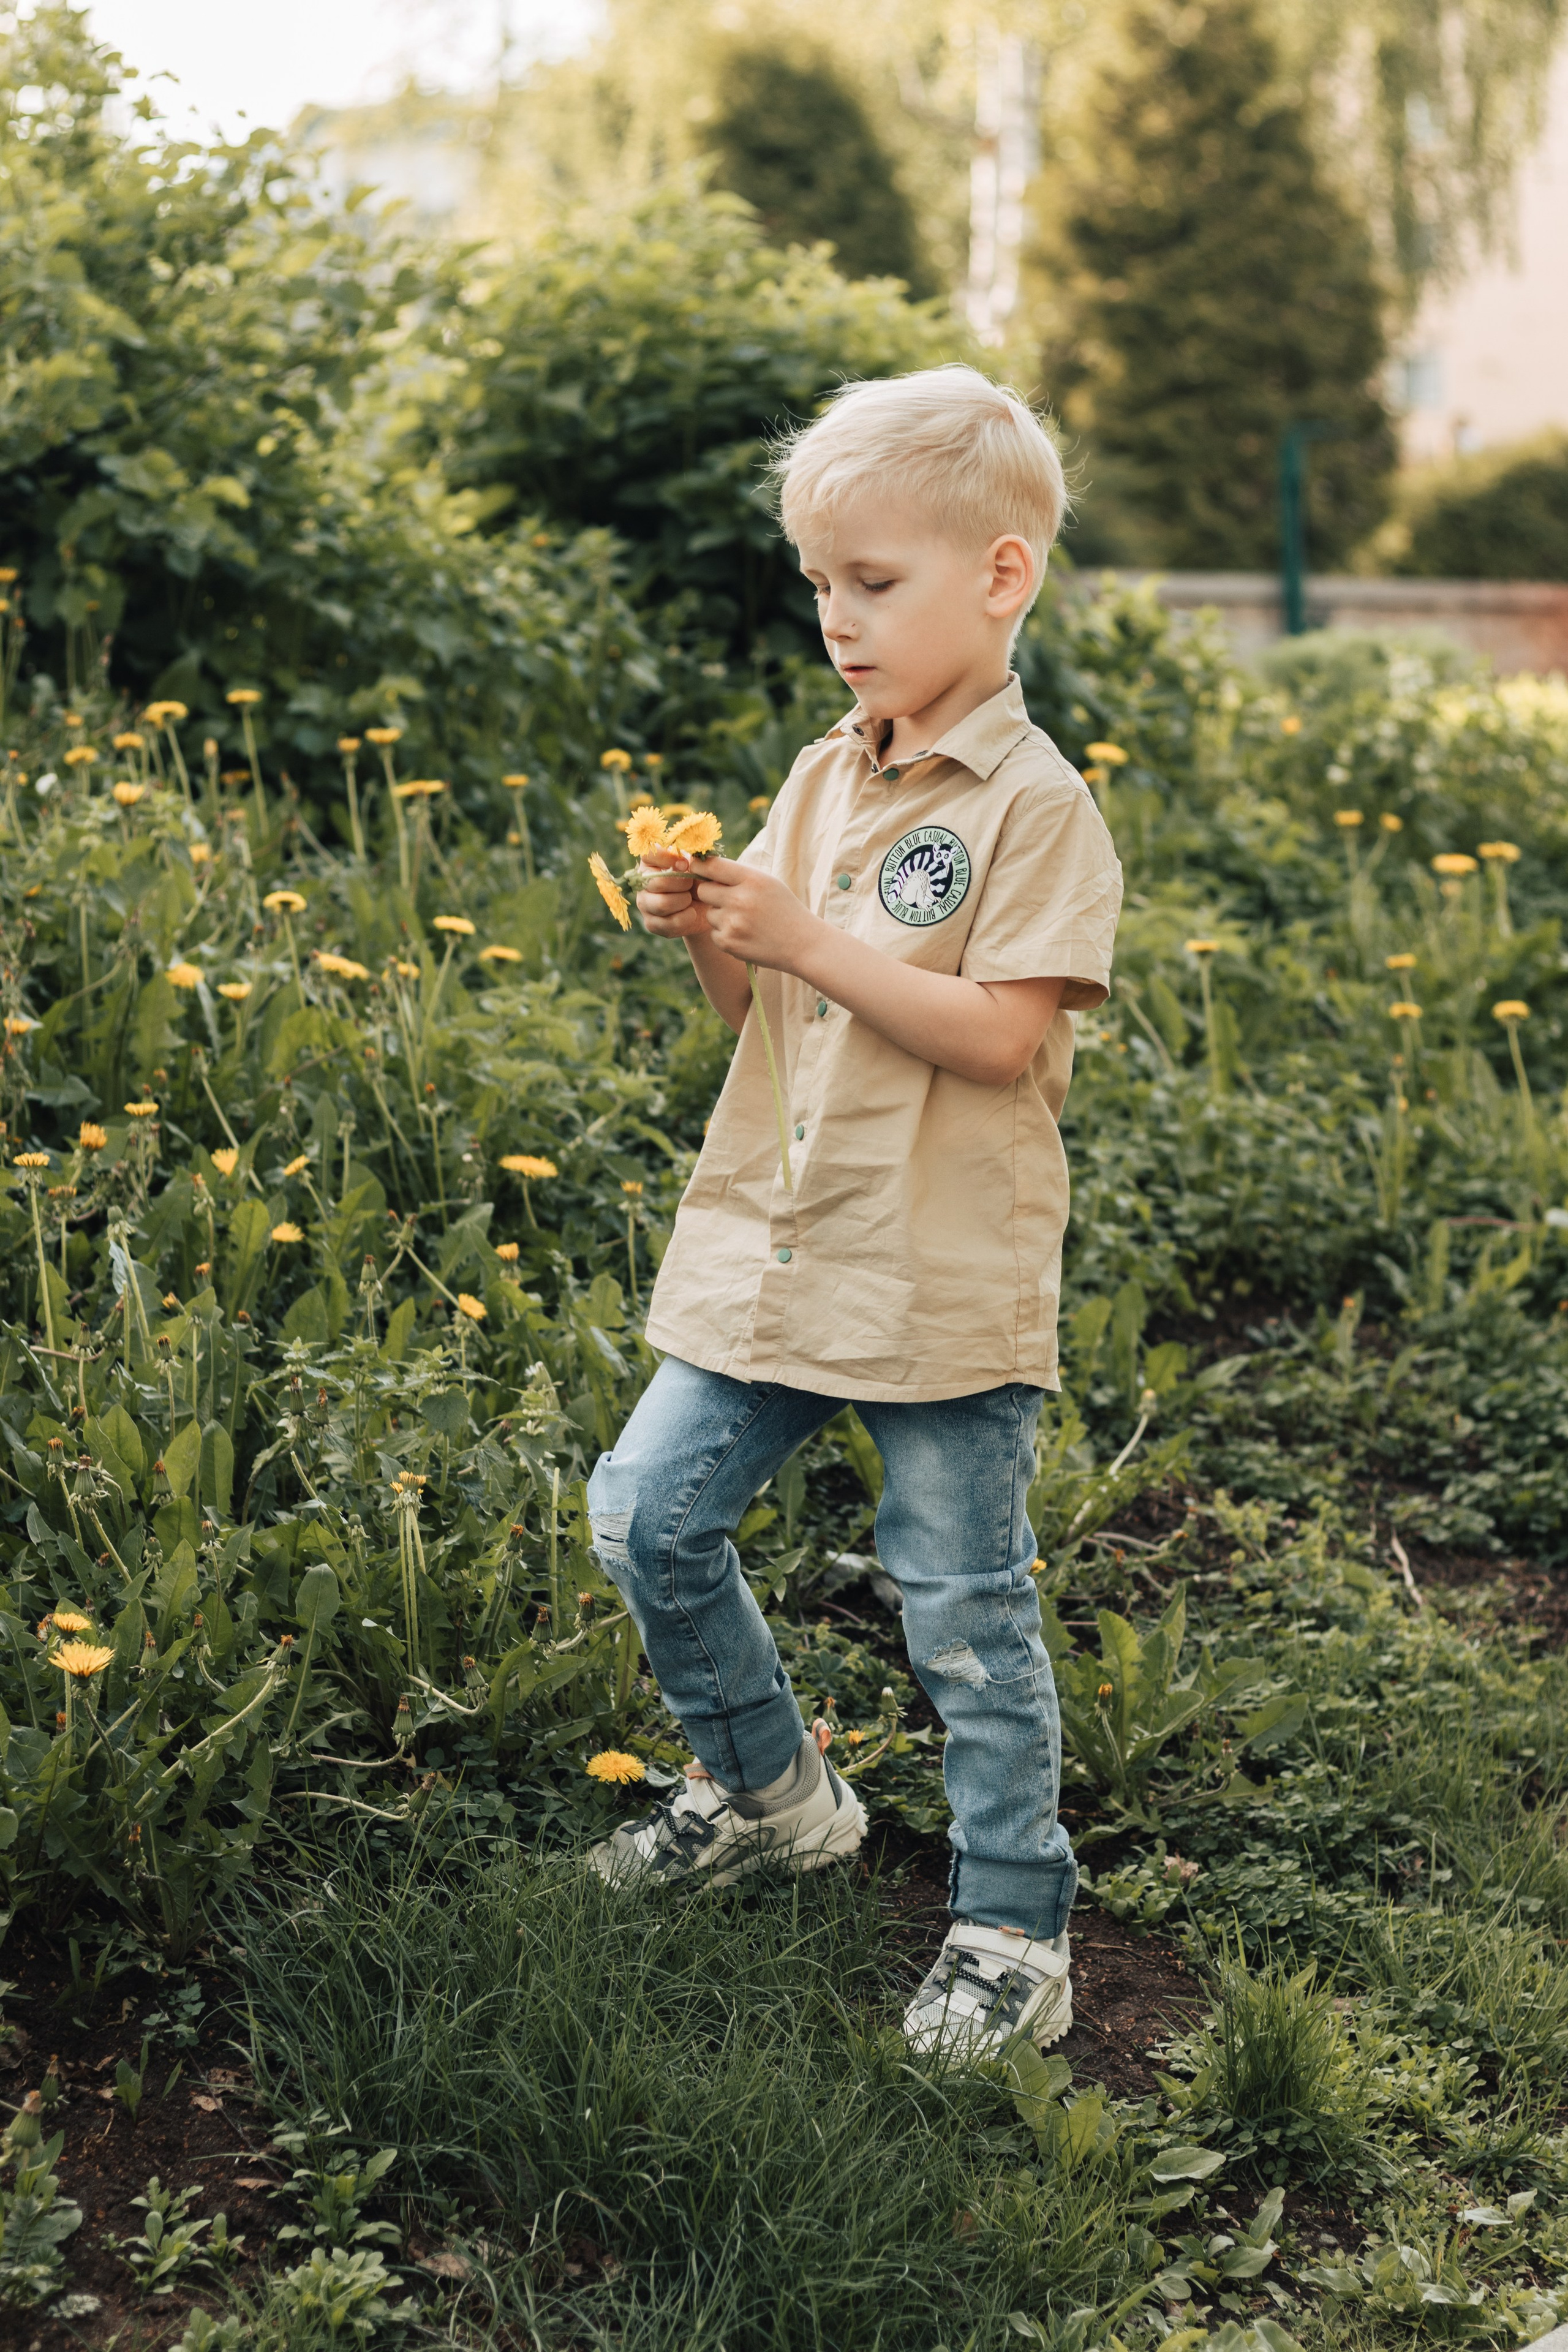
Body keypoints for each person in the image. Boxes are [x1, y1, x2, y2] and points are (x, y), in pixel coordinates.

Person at [586, 364, 1123, 2060]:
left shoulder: (1035, 808)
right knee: (646, 1515)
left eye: (874, 582)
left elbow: (1001, 1035)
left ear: (1001, 575)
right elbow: (773, 1025)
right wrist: (709, 930)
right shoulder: (826, 778)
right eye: (822, 582)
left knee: (961, 1608)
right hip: (787, 1246)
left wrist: (811, 937)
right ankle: (768, 1793)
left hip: (941, 1271)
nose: (838, 617)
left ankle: (1013, 1929)